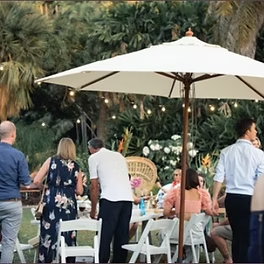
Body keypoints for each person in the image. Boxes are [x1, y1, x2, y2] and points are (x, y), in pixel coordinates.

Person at [212, 118, 264, 263]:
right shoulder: (259, 154)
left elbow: (219, 177)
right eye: (254, 129)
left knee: (238, 235)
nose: (256, 131)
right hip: (251, 199)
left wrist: (214, 199)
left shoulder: (226, 152)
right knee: (249, 237)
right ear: (248, 131)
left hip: (232, 199)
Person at [33, 138, 83, 263]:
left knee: (49, 232)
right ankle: (66, 259)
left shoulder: (51, 161)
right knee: (68, 231)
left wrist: (44, 188)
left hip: (51, 200)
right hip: (69, 203)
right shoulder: (76, 166)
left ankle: (47, 259)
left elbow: (37, 180)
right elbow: (80, 191)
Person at [88, 138, 133, 263]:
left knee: (105, 234)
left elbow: (94, 186)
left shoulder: (94, 158)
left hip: (110, 198)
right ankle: (119, 260)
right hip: (126, 198)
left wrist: (93, 210)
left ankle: (102, 260)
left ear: (91, 148)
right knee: (122, 234)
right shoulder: (118, 156)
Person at [0, 121, 34, 263]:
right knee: (8, 244)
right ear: (13, 134)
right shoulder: (18, 155)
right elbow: (26, 184)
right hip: (11, 203)